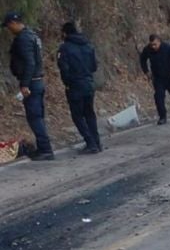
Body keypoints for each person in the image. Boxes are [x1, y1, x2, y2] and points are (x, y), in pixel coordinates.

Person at [3, 11, 54, 161]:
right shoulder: (33, 35)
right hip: (37, 81)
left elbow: (30, 62)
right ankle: (44, 148)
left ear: (13, 23)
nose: (8, 29)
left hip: (32, 83)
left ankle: (45, 150)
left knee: (34, 117)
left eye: (8, 26)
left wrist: (25, 84)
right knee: (38, 117)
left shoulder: (23, 39)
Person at [57, 22, 102, 154]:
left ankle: (90, 142)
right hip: (89, 83)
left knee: (77, 116)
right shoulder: (88, 45)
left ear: (65, 33)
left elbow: (64, 69)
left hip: (75, 85)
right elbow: (94, 66)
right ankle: (97, 142)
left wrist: (67, 82)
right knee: (90, 114)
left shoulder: (64, 48)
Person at [140, 34, 170, 125]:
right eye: (152, 44)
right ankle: (162, 117)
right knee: (159, 97)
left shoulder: (167, 48)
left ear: (159, 42)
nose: (153, 46)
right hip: (158, 78)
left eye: (155, 44)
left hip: (169, 76)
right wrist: (146, 71)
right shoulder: (148, 49)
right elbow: (142, 59)